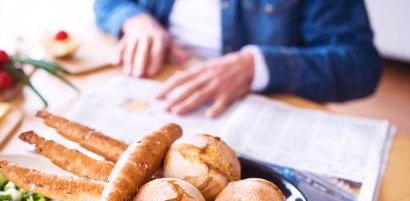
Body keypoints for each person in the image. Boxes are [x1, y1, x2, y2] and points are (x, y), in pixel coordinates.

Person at [94, 0, 382, 118]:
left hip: (263, 106)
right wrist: (132, 18)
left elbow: (361, 64)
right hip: (154, 84)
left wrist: (257, 66)